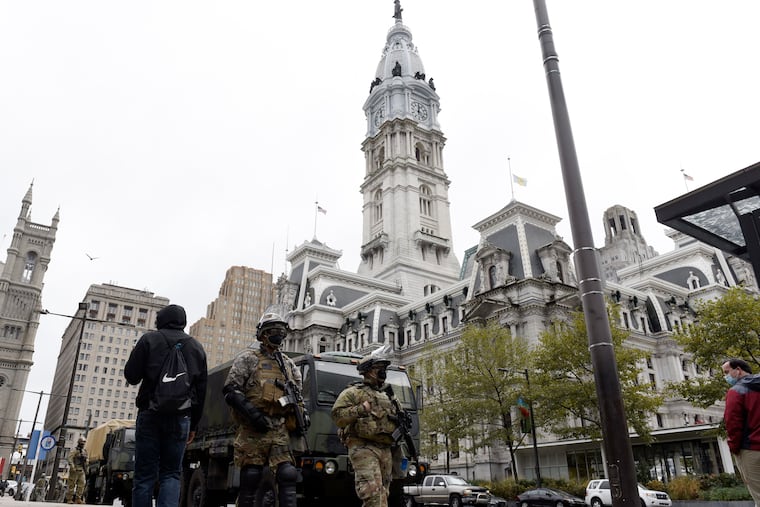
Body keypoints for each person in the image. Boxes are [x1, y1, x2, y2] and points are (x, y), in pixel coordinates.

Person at [125, 304, 208, 507]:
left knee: (144, 474)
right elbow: (201, 391)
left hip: (150, 414)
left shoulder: (149, 340)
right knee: (171, 473)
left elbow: (131, 376)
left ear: (160, 320)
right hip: (181, 418)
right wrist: (194, 426)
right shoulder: (196, 348)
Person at [223, 308, 305, 507]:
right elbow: (231, 391)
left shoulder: (288, 365)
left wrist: (302, 415)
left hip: (279, 427)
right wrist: (253, 415)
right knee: (251, 476)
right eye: (272, 330)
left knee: (288, 474)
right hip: (253, 428)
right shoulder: (248, 359)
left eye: (280, 331)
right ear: (263, 334)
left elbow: (297, 395)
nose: (277, 335)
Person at [332, 355, 401, 507]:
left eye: (384, 369)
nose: (383, 372)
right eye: (379, 369)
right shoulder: (353, 392)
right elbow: (337, 416)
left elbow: (399, 417)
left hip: (386, 448)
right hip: (363, 447)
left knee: (383, 494)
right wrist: (361, 409)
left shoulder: (389, 395)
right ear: (368, 371)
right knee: (372, 494)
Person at [722, 358, 760, 507]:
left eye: (727, 372)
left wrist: (734, 448)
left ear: (738, 370)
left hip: (751, 449)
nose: (726, 377)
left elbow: (733, 423)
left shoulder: (736, 392)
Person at [66, 437, 88, 504]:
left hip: (82, 470)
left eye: (83, 443)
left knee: (82, 484)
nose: (83, 445)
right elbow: (70, 458)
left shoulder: (84, 451)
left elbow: (87, 460)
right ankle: (69, 499)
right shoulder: (74, 450)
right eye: (81, 443)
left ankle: (78, 498)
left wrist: (86, 465)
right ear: (79, 443)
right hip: (75, 469)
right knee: (71, 485)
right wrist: (72, 467)